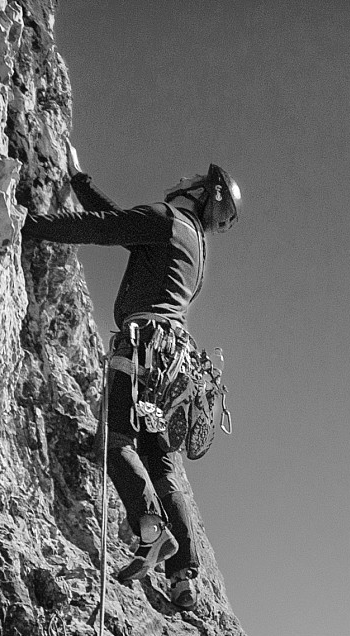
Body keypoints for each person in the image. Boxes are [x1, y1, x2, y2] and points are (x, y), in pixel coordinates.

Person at [24, 163, 241, 603]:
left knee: (114, 440)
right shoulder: (193, 247)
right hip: (173, 364)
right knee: (159, 463)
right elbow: (121, 225)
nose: (184, 177)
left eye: (193, 178)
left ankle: (149, 528)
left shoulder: (165, 219)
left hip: (142, 349)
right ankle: (183, 576)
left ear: (202, 192)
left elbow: (103, 227)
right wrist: (82, 184)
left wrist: (30, 225)